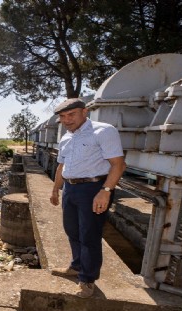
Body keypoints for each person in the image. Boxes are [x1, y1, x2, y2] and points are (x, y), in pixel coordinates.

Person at [49, 98, 126, 298]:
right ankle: (76, 266)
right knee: (72, 231)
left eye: (71, 114)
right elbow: (61, 166)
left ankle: (87, 280)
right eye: (63, 117)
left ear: (84, 112)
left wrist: (106, 191)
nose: (67, 120)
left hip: (94, 188)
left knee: (89, 235)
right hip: (71, 189)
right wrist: (56, 189)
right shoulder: (66, 137)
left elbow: (118, 164)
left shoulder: (104, 131)